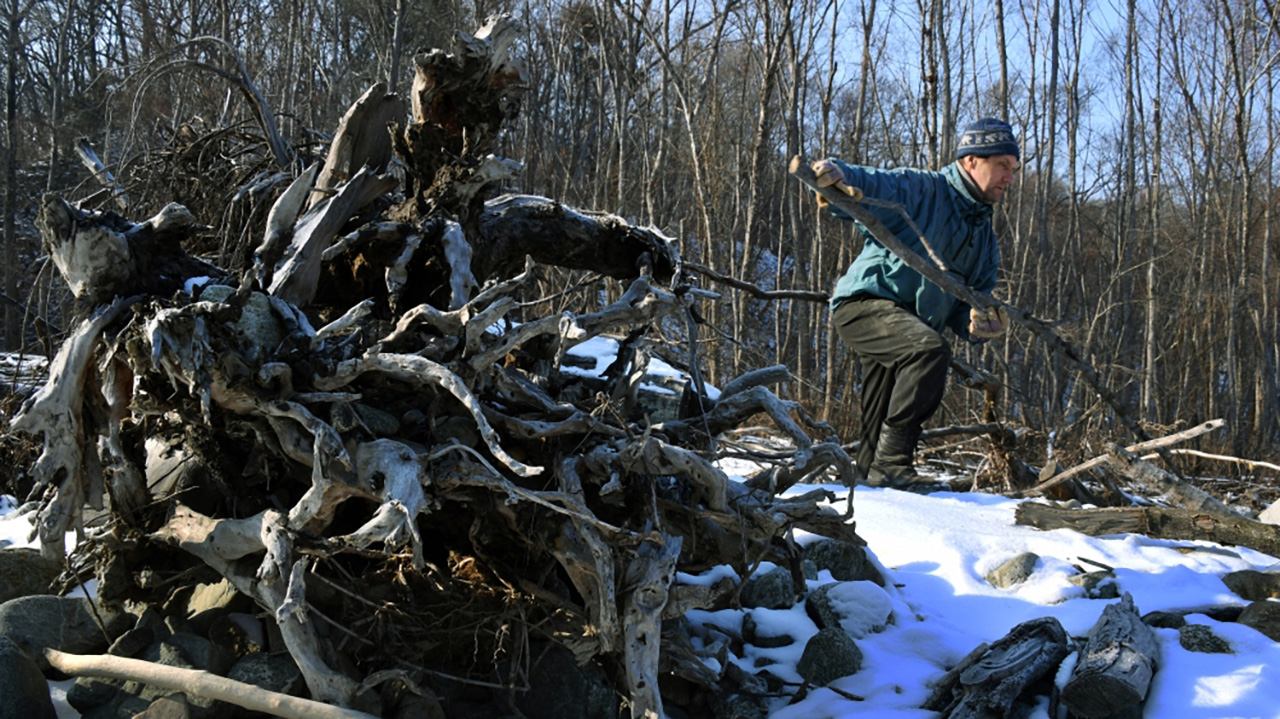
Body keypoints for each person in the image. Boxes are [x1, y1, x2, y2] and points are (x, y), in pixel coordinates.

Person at [813, 117, 1018, 488]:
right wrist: (835, 174)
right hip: (864, 304)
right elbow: (873, 183)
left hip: (909, 325)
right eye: (1002, 165)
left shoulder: (984, 239)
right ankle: (893, 466)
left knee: (876, 433)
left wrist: (979, 325)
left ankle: (871, 493)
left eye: (1014, 169)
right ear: (971, 160)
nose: (1010, 178)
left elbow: (967, 308)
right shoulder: (924, 190)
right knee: (928, 349)